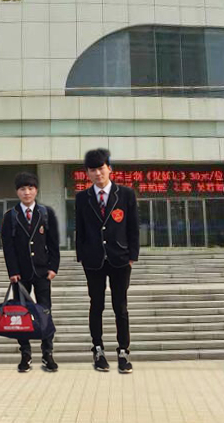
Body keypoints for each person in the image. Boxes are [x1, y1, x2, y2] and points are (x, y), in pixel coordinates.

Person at [74, 148, 139, 374]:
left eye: (101, 168)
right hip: (93, 260)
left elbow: (133, 227)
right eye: (92, 170)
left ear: (109, 169)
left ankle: (123, 351)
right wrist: (81, 255)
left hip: (120, 258)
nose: (98, 173)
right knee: (96, 305)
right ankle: (98, 350)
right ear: (87, 174)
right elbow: (80, 229)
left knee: (120, 306)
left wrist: (132, 256)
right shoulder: (82, 198)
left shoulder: (126, 194)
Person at [0, 171, 59, 373]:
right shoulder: (10, 216)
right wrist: (13, 271)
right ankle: (25, 354)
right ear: (17, 192)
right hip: (20, 274)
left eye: (30, 188)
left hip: (42, 272)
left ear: (36, 190)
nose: (27, 192)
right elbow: (8, 247)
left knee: (45, 312)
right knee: (20, 313)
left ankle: (47, 353)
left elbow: (53, 243)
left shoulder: (46, 213)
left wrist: (53, 268)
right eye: (23, 189)